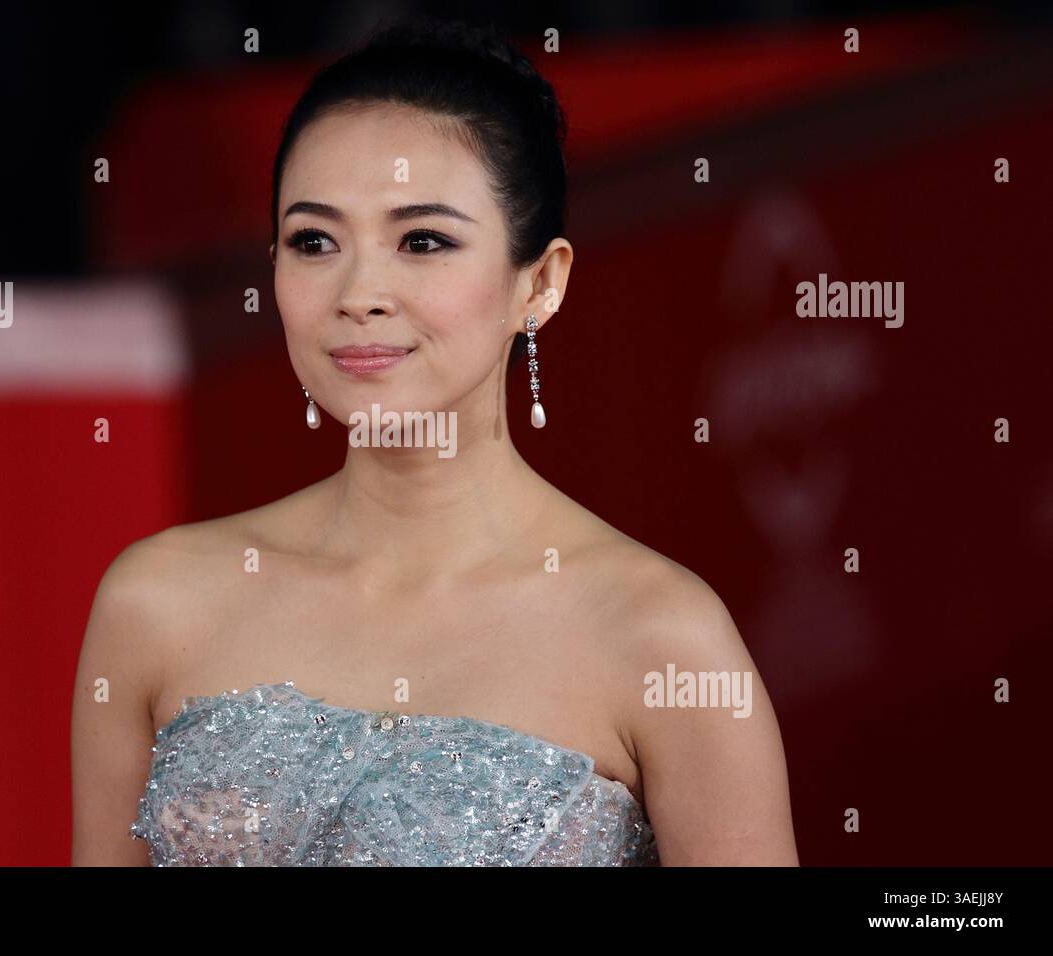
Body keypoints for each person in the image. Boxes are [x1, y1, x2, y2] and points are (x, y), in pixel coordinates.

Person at [71, 17, 798, 866]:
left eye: (422, 241)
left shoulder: (659, 636)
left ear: (542, 282)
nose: (360, 291)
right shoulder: (156, 604)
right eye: (314, 242)